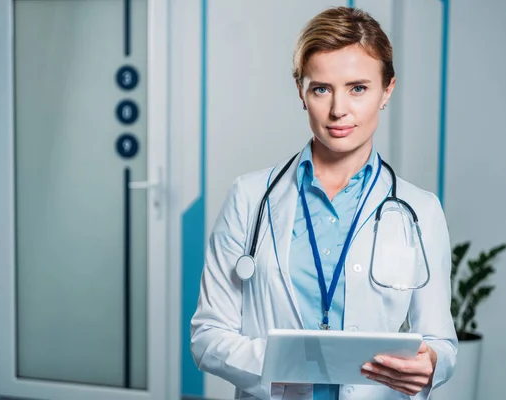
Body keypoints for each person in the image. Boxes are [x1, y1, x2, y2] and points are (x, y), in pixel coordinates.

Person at [191, 6, 457, 400]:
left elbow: (441, 342)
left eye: (358, 88)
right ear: (301, 91)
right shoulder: (249, 198)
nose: (338, 109)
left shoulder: (422, 210)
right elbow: (208, 335)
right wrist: (290, 361)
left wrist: (431, 363)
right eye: (321, 88)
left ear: (387, 90)